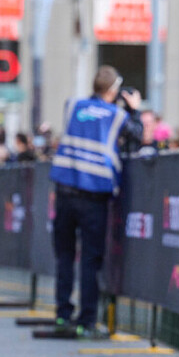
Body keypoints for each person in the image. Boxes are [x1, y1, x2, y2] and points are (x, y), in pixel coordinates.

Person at [49, 66, 142, 337]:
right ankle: (86, 322)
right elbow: (137, 135)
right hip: (94, 198)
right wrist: (134, 109)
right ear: (114, 90)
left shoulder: (73, 105)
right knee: (90, 259)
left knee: (65, 256)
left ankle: (62, 316)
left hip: (65, 192)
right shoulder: (118, 115)